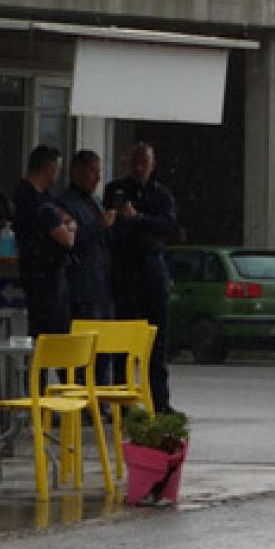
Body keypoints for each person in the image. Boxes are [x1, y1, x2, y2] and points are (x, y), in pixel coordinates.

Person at [106, 143, 179, 414]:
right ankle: (122, 403)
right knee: (124, 344)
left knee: (157, 344)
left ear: (152, 164)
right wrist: (132, 223)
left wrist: (139, 219)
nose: (139, 168)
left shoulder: (161, 194)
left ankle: (160, 403)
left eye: (144, 163)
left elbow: (168, 225)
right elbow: (113, 225)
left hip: (153, 273)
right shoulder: (117, 190)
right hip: (126, 275)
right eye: (135, 162)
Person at [61, 150, 116, 383]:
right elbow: (72, 241)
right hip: (82, 284)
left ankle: (101, 395)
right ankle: (82, 394)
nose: (96, 178)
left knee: (105, 346)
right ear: (76, 172)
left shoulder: (95, 201)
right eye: (92, 172)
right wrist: (98, 226)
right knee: (84, 347)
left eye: (98, 173)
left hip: (103, 284)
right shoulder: (66, 203)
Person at [13, 145, 75, 338]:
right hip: (47, 275)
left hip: (32, 270)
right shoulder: (39, 203)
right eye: (57, 169)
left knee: (39, 329)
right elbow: (67, 239)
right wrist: (72, 225)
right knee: (56, 334)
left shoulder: (26, 195)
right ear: (49, 168)